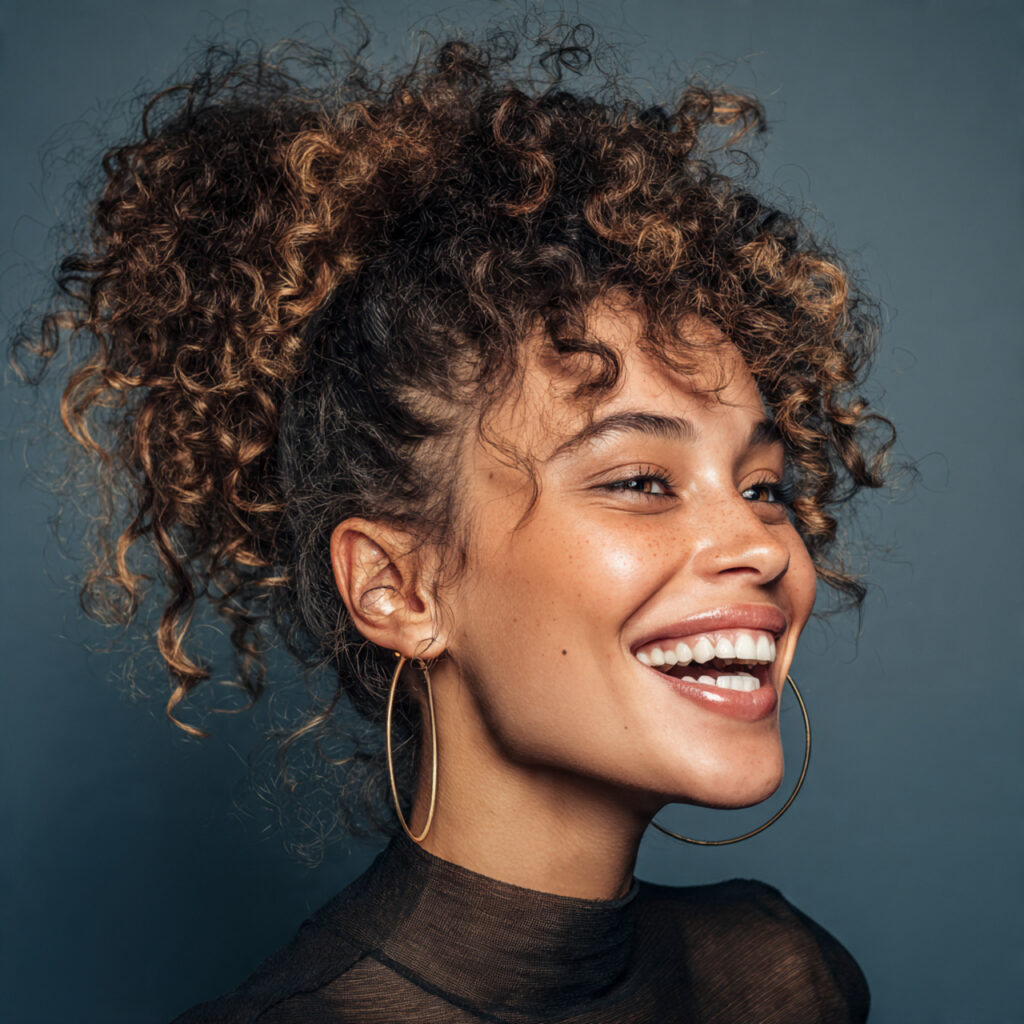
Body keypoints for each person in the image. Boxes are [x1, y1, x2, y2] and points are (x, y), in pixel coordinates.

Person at [18, 19, 892, 1023]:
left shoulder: (783, 979)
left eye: (763, 485)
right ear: (400, 586)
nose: (760, 547)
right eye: (641, 481)